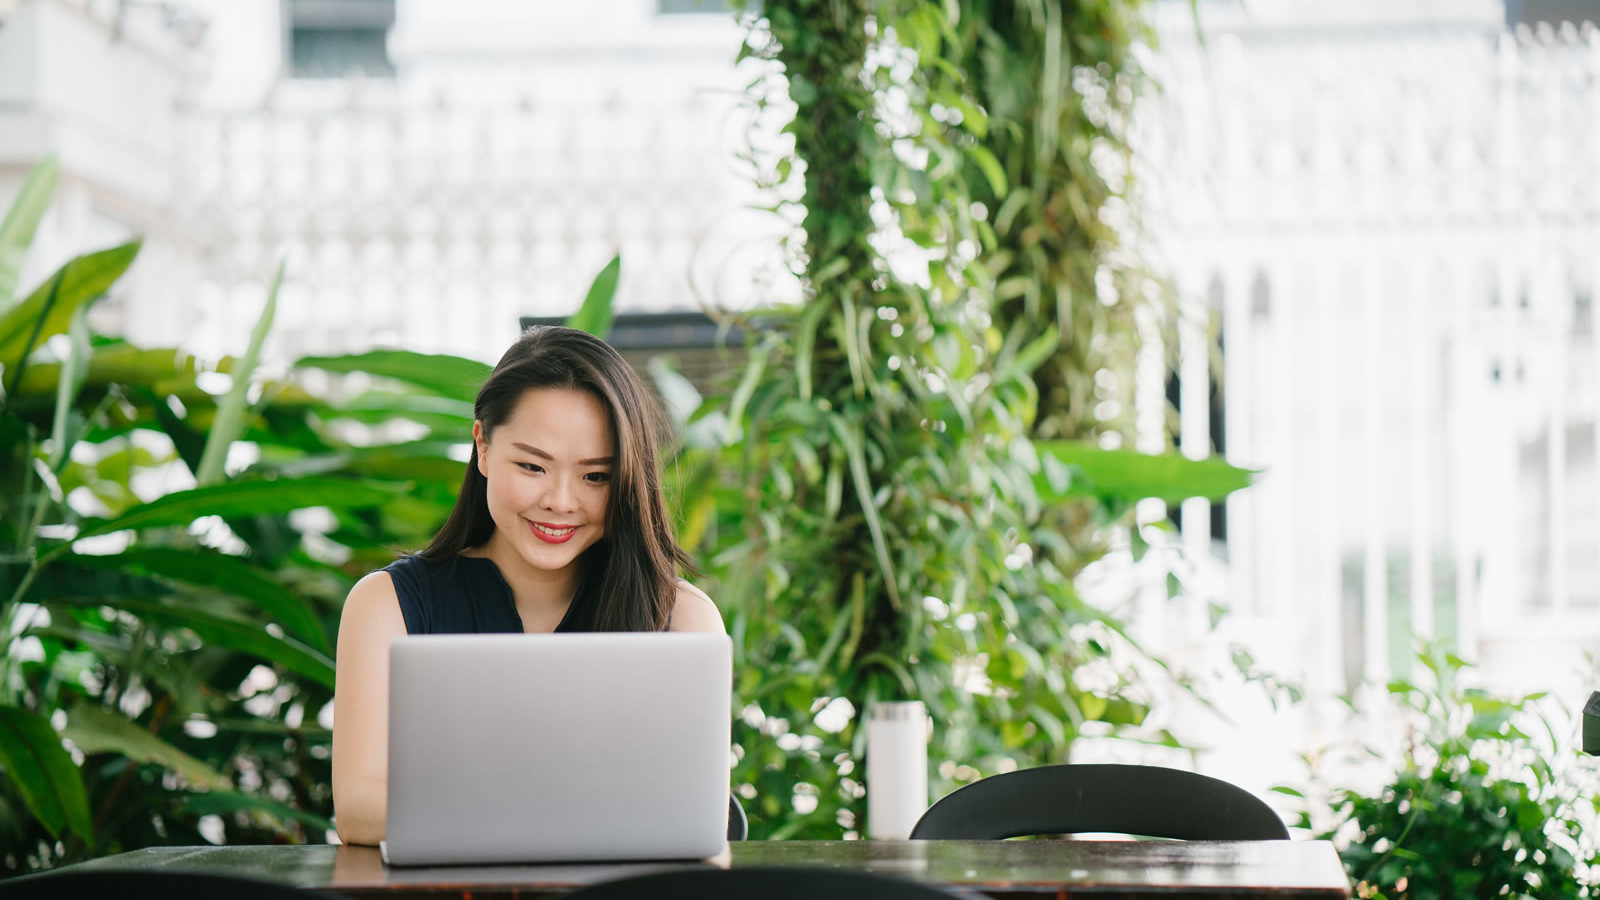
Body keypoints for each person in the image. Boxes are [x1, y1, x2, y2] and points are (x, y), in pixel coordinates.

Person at [330, 326, 725, 846]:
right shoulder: (388, 606)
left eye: (596, 477)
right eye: (533, 466)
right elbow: (359, 809)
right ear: (484, 449)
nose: (561, 501)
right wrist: (587, 811)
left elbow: (698, 817)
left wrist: (475, 810)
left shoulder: (681, 618)